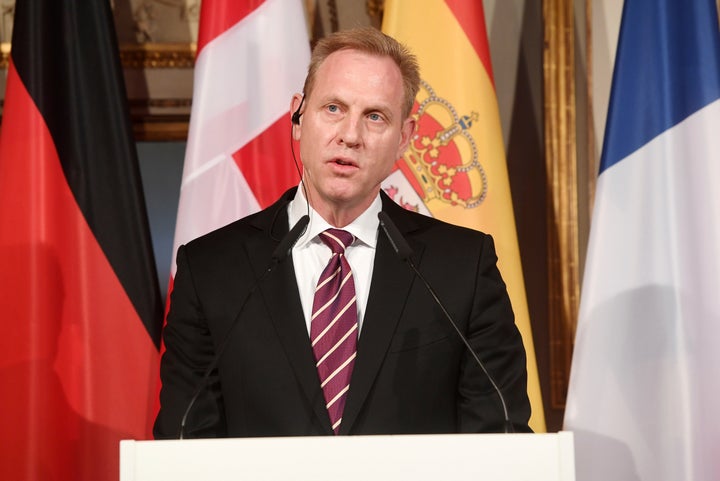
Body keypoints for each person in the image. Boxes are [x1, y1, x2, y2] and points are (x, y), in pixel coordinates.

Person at [154, 27, 531, 439]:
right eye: (333, 108)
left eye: (375, 117)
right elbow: (184, 441)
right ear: (298, 117)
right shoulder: (212, 271)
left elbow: (501, 438)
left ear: (404, 138)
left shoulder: (461, 268)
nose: (350, 136)